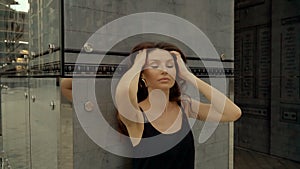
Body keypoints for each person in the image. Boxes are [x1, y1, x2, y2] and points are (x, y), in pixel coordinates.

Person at [61, 42, 242, 169]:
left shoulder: (184, 106)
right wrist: (137, 63)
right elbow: (123, 93)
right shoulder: (136, 114)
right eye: (155, 65)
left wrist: (188, 75)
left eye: (170, 65)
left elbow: (233, 113)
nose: (164, 69)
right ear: (142, 76)